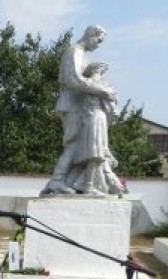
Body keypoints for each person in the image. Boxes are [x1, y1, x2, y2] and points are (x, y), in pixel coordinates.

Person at [41, 25, 117, 196]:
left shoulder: (81, 54)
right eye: (98, 40)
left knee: (77, 146)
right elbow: (73, 79)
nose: (98, 44)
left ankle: (69, 181)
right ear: (91, 35)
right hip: (71, 103)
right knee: (72, 145)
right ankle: (57, 181)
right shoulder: (74, 51)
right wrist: (101, 90)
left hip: (78, 104)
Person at [74, 62, 124, 195]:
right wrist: (108, 94)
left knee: (98, 152)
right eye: (101, 70)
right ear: (96, 70)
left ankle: (87, 183)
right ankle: (88, 185)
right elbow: (110, 99)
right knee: (95, 152)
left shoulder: (90, 85)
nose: (102, 74)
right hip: (95, 117)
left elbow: (111, 99)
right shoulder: (94, 85)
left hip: (96, 118)